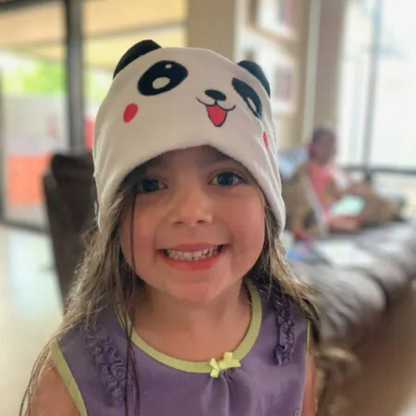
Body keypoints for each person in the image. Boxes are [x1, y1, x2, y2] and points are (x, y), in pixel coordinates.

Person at [22, 40, 319, 416]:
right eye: (150, 185)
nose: (191, 212)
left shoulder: (292, 336)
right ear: (114, 218)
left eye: (226, 177)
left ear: (268, 203)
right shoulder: (72, 380)